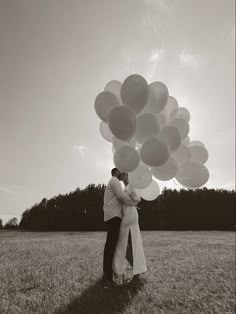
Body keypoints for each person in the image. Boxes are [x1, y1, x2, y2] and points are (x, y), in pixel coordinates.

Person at [102, 168, 135, 288]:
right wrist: (132, 202)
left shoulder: (112, 181)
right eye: (120, 172)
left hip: (112, 215)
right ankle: (107, 277)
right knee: (110, 246)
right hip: (114, 216)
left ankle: (107, 275)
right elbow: (121, 195)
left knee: (110, 245)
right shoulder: (114, 180)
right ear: (116, 172)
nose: (122, 174)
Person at [112, 172, 147, 284]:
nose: (122, 176)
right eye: (121, 175)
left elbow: (138, 199)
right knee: (124, 244)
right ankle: (127, 271)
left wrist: (131, 198)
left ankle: (137, 275)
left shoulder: (132, 185)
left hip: (131, 215)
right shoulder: (123, 187)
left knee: (132, 244)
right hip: (125, 214)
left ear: (128, 175)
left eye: (124, 174)